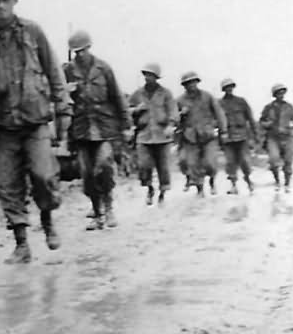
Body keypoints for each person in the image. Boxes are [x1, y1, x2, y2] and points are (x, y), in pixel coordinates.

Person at [0, 0, 70, 263]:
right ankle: (21, 243)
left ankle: (47, 221)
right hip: (2, 125)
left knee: (43, 175)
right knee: (8, 185)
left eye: (6, 0)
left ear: (14, 1)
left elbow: (53, 72)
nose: (1, 6)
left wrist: (63, 110)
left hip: (34, 120)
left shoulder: (33, 32)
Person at [63, 30, 130, 229]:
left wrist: (126, 126)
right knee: (87, 173)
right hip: (81, 129)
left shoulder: (103, 69)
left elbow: (117, 98)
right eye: (76, 52)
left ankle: (109, 209)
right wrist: (67, 91)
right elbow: (58, 97)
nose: (80, 55)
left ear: (89, 48)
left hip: (104, 128)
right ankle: (97, 213)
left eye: (83, 50)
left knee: (104, 166)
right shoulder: (67, 71)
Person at [128, 63, 179, 205]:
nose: (148, 78)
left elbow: (173, 111)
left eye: (151, 75)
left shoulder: (166, 93)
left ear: (156, 77)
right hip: (144, 135)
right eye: (146, 75)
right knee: (144, 165)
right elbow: (127, 111)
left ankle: (162, 192)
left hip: (162, 136)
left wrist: (171, 125)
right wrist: (136, 110)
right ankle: (149, 188)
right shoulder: (137, 94)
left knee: (163, 166)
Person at [176, 71, 226, 196]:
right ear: (184, 85)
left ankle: (212, 181)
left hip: (208, 135)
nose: (191, 85)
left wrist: (223, 130)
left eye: (193, 82)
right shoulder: (179, 100)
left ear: (197, 82)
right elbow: (173, 118)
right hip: (190, 137)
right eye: (187, 83)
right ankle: (200, 189)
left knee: (210, 162)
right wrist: (181, 114)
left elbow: (219, 114)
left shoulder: (207, 96)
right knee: (192, 164)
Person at [218, 78, 257, 195]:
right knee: (230, 162)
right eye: (226, 87)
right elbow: (216, 120)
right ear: (223, 89)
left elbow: (250, 118)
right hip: (228, 137)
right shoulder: (219, 104)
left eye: (230, 86)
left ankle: (249, 181)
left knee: (244, 160)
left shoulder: (241, 101)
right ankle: (233, 185)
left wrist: (254, 136)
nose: (229, 89)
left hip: (242, 136)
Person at [259, 83, 293, 191]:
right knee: (273, 160)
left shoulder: (289, 107)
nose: (281, 95)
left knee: (288, 161)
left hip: (286, 136)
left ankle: (287, 183)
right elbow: (262, 121)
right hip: (273, 137)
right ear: (274, 95)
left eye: (282, 93)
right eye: (278, 93)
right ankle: (277, 181)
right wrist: (267, 124)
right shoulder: (268, 108)